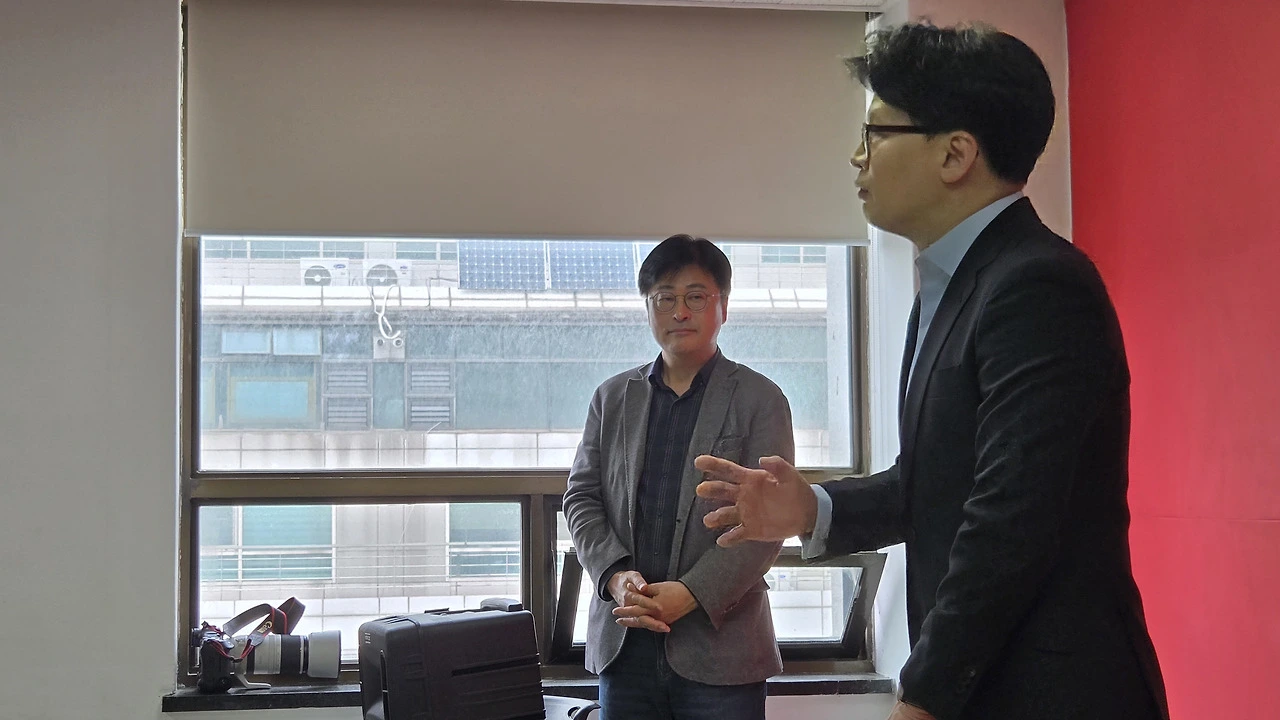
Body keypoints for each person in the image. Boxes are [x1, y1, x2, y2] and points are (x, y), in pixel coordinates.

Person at [694, 23, 1169, 720]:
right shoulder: (947, 290)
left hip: (1052, 690)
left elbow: (1010, 520)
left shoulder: (1039, 285)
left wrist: (923, 696)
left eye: (876, 134)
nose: (856, 156)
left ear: (955, 154)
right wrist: (812, 509)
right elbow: (938, 480)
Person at [563, 233, 794, 720]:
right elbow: (581, 498)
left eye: (695, 297)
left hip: (722, 649)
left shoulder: (760, 400)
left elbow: (768, 523)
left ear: (722, 306)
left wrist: (691, 594)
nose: (680, 312)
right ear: (648, 307)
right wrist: (614, 577)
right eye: (664, 298)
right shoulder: (612, 399)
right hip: (625, 643)